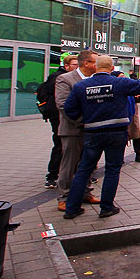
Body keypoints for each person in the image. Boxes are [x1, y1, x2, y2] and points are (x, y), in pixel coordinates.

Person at [63, 56, 140, 219]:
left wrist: (84, 120)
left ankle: (72, 208)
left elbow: (69, 109)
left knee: (84, 170)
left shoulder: (81, 86)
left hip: (92, 133)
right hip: (116, 133)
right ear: (112, 68)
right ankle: (106, 207)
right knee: (112, 169)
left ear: (96, 67)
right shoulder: (120, 83)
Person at [54, 49, 100, 212]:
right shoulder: (65, 79)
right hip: (73, 129)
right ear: (86, 63)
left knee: (88, 163)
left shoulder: (95, 79)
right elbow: (63, 105)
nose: (98, 65)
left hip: (92, 130)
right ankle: (64, 197)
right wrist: (84, 120)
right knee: (69, 165)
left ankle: (85, 192)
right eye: (95, 62)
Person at [37, 53, 77, 189]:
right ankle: (52, 175)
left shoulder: (69, 77)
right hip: (58, 116)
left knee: (68, 145)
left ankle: (67, 173)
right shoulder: (59, 78)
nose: (76, 67)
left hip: (63, 116)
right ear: (66, 66)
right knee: (60, 144)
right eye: (74, 65)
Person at [112, 71, 140, 163]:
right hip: (121, 116)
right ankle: (120, 157)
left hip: (132, 115)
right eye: (121, 76)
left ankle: (138, 154)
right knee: (122, 137)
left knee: (136, 135)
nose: (124, 78)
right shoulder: (115, 89)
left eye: (124, 76)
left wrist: (139, 97)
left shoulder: (129, 87)